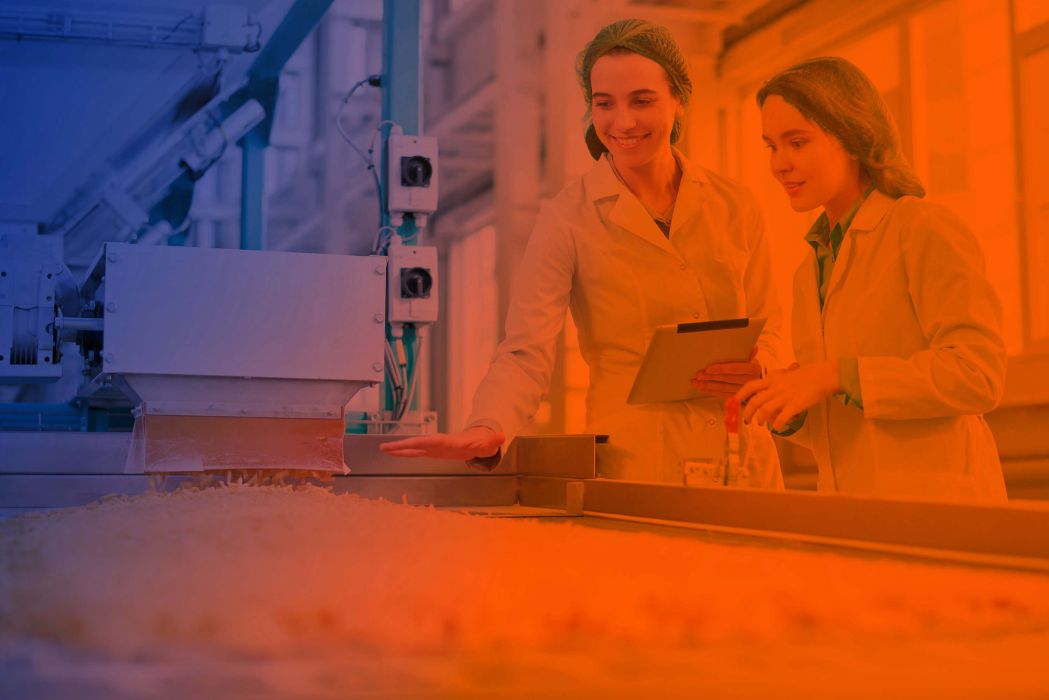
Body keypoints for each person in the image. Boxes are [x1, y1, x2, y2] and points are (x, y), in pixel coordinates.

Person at [381, 19, 784, 487]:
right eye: (604, 104)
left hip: (743, 452)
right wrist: (488, 425)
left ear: (678, 99)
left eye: (642, 100)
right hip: (639, 464)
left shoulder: (734, 203)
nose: (623, 122)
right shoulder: (568, 217)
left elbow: (772, 321)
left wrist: (762, 365)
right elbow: (525, 350)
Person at [735, 56, 1008, 502]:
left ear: (851, 136)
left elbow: (978, 374)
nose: (780, 163)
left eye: (797, 143)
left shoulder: (921, 228)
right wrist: (787, 405)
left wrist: (835, 376)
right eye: (771, 146)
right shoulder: (810, 268)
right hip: (852, 508)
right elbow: (850, 425)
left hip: (940, 507)